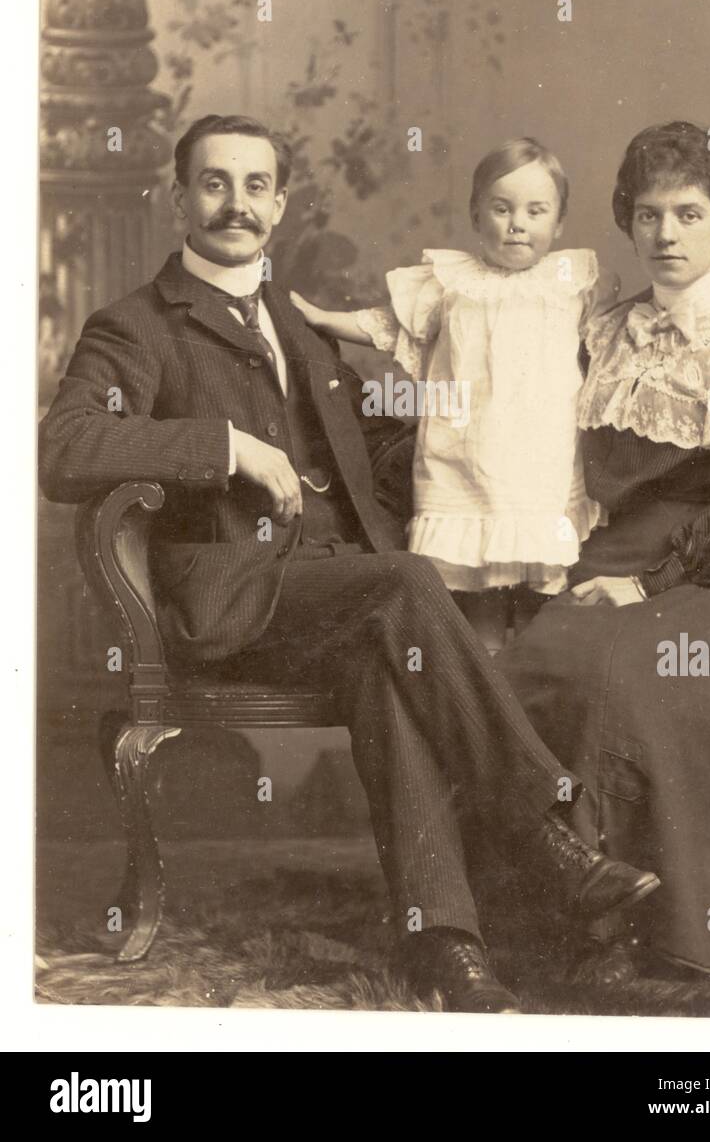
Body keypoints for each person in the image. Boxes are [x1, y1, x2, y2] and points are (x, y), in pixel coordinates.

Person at [38, 113, 660, 1013]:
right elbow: (64, 447)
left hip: (340, 598)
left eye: (256, 186)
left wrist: (500, 450)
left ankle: (446, 948)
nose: (235, 204)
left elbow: (377, 452)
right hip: (232, 606)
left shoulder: (299, 325)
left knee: (389, 659)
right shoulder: (136, 324)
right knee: (403, 586)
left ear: (280, 204)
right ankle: (547, 831)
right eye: (214, 183)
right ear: (178, 198)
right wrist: (227, 446)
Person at [498, 120, 710, 974]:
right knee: (535, 664)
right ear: (628, 222)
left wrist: (646, 586)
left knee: (629, 674)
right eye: (649, 215)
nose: (666, 235)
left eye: (690, 215)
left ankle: (642, 930)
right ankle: (561, 910)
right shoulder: (595, 333)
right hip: (605, 556)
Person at [291, 137, 618, 653]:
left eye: (536, 211)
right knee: (478, 592)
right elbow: (386, 323)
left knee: (540, 596)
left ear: (557, 223)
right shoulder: (451, 284)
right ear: (475, 215)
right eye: (501, 208)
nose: (518, 223)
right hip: (466, 459)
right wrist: (320, 317)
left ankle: (527, 693)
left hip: (542, 463)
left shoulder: (571, 282)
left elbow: (612, 341)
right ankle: (484, 689)